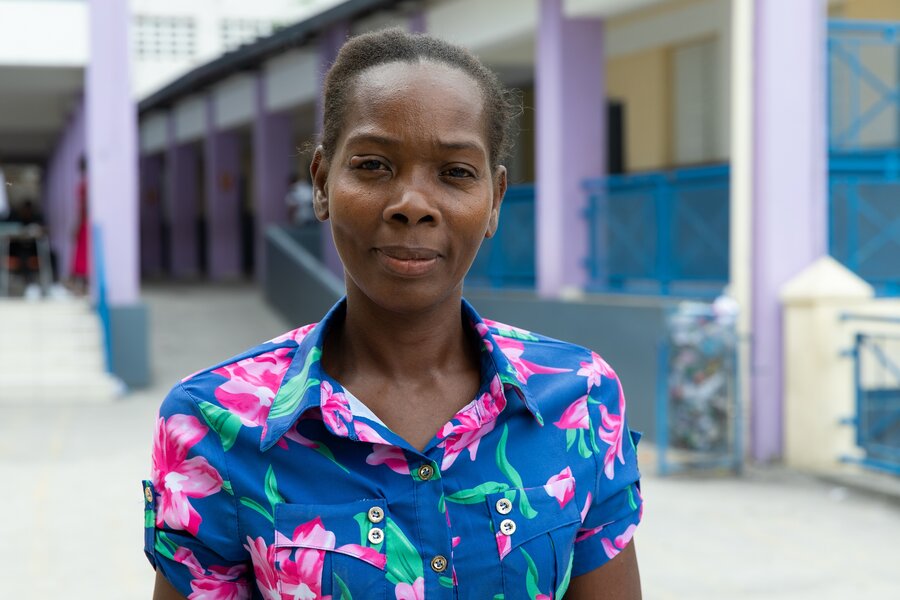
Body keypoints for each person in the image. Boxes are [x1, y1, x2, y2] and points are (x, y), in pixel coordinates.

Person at [145, 29, 642, 600]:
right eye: (375, 165)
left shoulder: (579, 400)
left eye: (455, 172)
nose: (412, 205)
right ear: (321, 183)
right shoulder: (215, 423)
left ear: (495, 201)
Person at [69, 155, 89, 295]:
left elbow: (84, 207)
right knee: (82, 254)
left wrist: (78, 224)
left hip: (85, 222)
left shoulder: (86, 185)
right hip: (84, 221)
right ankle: (82, 284)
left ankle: (83, 284)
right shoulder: (87, 183)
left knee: (83, 254)